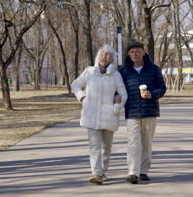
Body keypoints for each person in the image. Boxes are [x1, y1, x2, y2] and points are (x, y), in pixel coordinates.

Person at [71, 45, 127, 185]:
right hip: (91, 115)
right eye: (103, 52)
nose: (105, 55)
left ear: (112, 58)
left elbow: (123, 94)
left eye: (108, 54)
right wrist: (82, 98)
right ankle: (96, 174)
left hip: (109, 115)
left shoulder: (116, 75)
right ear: (98, 56)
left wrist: (117, 105)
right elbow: (75, 85)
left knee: (106, 148)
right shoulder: (89, 72)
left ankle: (103, 170)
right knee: (94, 146)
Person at [118, 41, 166, 184]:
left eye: (137, 51)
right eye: (132, 52)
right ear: (129, 54)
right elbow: (117, 89)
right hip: (132, 112)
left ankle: (144, 171)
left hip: (149, 111)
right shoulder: (123, 71)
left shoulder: (153, 69)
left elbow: (162, 88)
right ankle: (132, 172)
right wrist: (116, 96)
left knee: (146, 143)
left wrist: (152, 94)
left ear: (144, 52)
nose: (135, 54)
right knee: (133, 142)